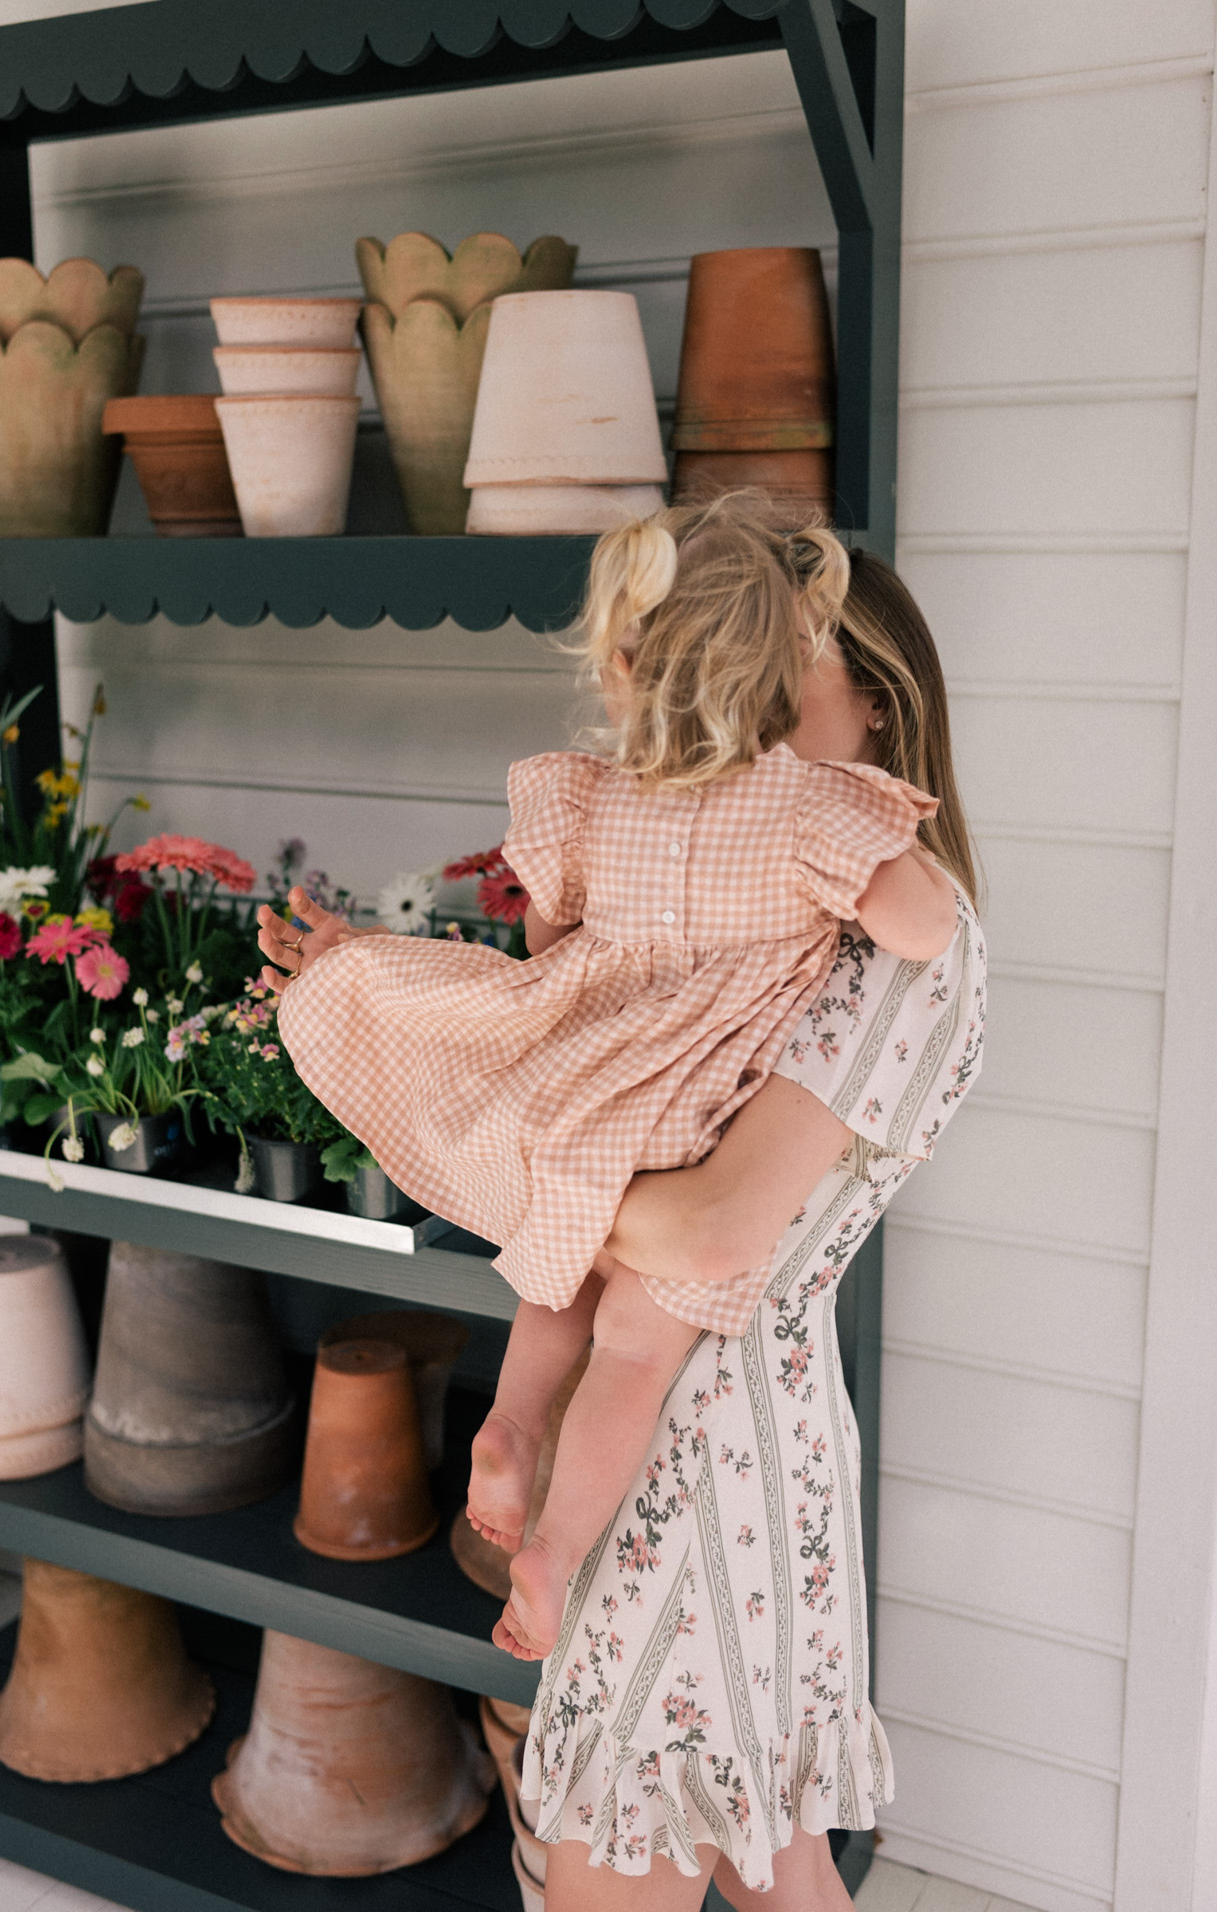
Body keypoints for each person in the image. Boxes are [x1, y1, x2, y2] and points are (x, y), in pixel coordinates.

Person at [258, 545, 985, 1909]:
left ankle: (522, 1433)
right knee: (774, 1872)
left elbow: (709, 1237)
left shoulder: (887, 942)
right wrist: (399, 998)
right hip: (635, 1449)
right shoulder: (734, 859)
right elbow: (557, 996)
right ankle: (521, 1435)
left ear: (882, 701)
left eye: (789, 682)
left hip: (730, 1465)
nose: (753, 718)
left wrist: (521, 1152)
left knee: (676, 1866)